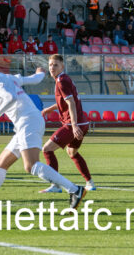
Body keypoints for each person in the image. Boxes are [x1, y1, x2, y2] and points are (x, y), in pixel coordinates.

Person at [0, 62, 87, 217]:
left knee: (30, 165)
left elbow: (10, 98)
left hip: (27, 121)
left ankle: (74, 190)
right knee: (0, 165)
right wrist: (41, 74)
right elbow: (32, 80)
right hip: (26, 122)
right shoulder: (4, 77)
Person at [40, 55, 95, 193]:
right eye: (51, 64)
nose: (52, 67)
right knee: (72, 152)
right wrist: (48, 110)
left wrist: (74, 125)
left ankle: (55, 185)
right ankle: (90, 182)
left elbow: (71, 103)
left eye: (55, 65)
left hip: (73, 124)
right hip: (83, 122)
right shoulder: (63, 79)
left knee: (47, 149)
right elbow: (65, 101)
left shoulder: (61, 81)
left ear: (62, 66)